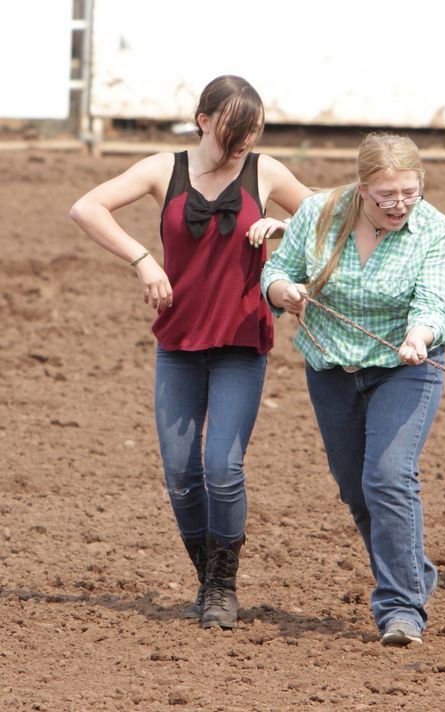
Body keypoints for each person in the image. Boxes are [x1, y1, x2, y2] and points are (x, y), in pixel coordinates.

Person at [69, 75, 312, 629]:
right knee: (181, 473)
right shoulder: (164, 168)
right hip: (177, 341)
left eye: (254, 128)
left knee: (222, 469)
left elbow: (330, 217)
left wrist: (285, 224)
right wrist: (142, 259)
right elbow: (87, 208)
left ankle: (222, 587)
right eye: (235, 127)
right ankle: (209, 579)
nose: (246, 138)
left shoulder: (265, 171)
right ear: (204, 120)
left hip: (241, 340)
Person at [261, 132, 445, 646]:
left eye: (409, 193)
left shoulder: (433, 230)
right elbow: (278, 269)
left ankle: (401, 609)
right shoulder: (320, 212)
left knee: (388, 477)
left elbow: (435, 302)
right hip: (330, 365)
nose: (399, 205)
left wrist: (420, 335)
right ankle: (412, 573)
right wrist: (284, 292)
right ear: (362, 187)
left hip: (405, 365)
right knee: (356, 487)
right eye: (386, 195)